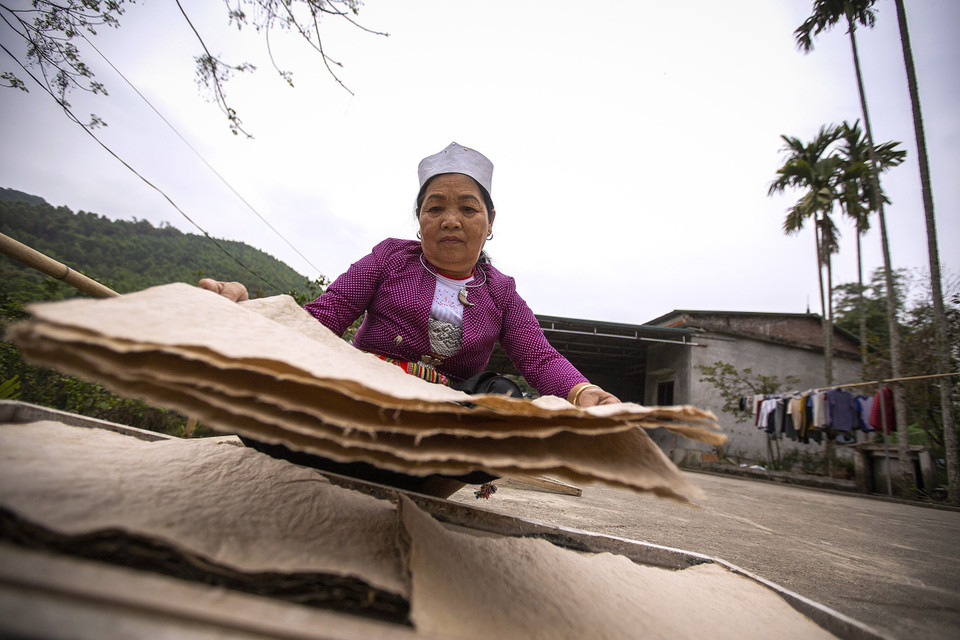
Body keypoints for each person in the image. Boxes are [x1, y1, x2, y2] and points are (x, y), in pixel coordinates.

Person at [200, 142, 618, 495]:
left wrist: (582, 393)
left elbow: (538, 358)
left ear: (490, 223)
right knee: (268, 391)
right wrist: (250, 319)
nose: (450, 220)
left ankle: (411, 469)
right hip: (361, 401)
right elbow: (324, 316)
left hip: (441, 426)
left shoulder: (501, 291)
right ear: (419, 221)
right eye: (435, 207)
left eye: (468, 209)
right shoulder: (388, 259)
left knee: (504, 398)